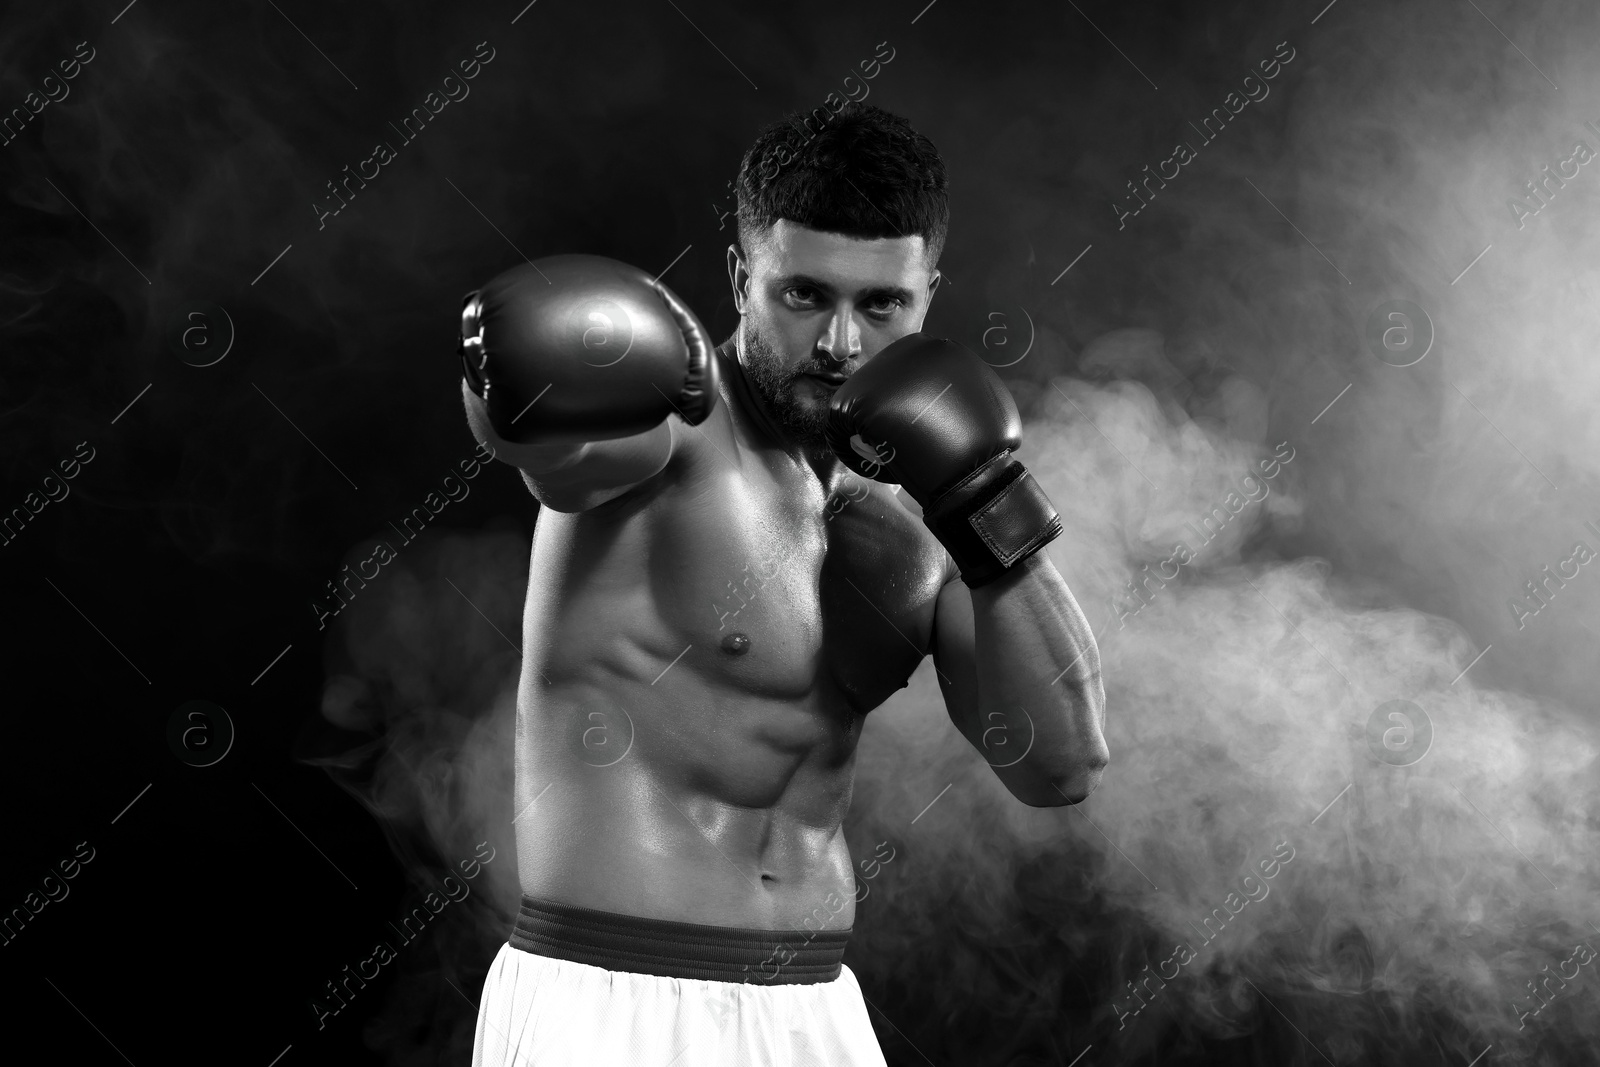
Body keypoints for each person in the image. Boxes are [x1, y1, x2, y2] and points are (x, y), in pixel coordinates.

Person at [459, 102, 1107, 1066]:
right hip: (618, 1002)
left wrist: (988, 498)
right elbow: (528, 415)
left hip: (810, 1011)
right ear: (739, 279)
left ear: (929, 295)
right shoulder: (671, 430)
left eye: (881, 305)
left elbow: (1059, 765)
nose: (841, 344)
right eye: (803, 294)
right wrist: (504, 371)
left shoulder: (917, 522)